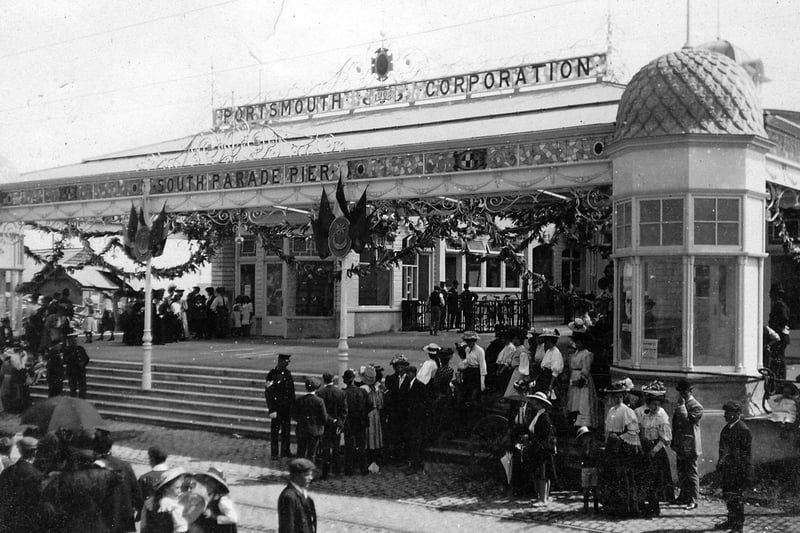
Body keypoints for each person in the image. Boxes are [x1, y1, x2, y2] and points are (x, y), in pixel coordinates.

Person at [40, 430, 127, 533]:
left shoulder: (60, 480)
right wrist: (98, 461)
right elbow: (119, 474)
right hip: (96, 526)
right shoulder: (100, 475)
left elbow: (47, 506)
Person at [600, 378, 642, 516]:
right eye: (615, 396)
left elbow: (633, 430)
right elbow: (608, 429)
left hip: (623, 446)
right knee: (611, 475)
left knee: (623, 476)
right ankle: (612, 506)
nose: (617, 399)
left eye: (620, 396)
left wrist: (620, 439)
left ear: (623, 396)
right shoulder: (611, 410)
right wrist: (609, 441)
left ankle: (626, 507)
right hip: (612, 446)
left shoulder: (627, 411)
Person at [94, 428, 144, 532]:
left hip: (103, 524)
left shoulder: (92, 468)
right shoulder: (125, 466)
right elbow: (137, 494)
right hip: (124, 522)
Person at [635, 380, 672, 516]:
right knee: (641, 477)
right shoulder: (640, 413)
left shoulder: (661, 415)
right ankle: (640, 505)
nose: (656, 407)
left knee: (656, 479)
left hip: (656, 450)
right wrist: (639, 445)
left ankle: (654, 506)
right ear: (648, 403)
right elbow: (635, 430)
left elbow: (665, 438)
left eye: (658, 404)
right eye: (653, 404)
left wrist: (654, 450)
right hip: (641, 447)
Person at [715, 401, 752, 533]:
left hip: (737, 470)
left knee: (737, 498)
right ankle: (731, 521)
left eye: (728, 413)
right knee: (729, 496)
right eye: (725, 412)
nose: (725, 415)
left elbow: (745, 455)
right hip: (727, 469)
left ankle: (738, 527)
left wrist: (742, 473)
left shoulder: (743, 430)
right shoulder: (727, 428)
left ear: (737, 414)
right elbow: (722, 449)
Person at [0, 436, 44, 533]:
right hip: (27, 524)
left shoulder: (7, 472)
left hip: (8, 521)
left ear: (20, 451)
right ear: (35, 452)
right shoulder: (38, 476)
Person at [671, 378, 703, 510]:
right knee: (682, 472)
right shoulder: (681, 404)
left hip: (690, 445)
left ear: (690, 391)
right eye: (681, 392)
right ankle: (683, 496)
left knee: (691, 473)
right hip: (680, 444)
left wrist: (683, 407)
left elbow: (687, 421)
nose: (682, 394)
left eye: (684, 392)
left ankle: (693, 500)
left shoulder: (696, 407)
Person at [526, 390, 557, 505]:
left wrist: (535, 441)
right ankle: (544, 497)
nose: (533, 404)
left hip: (542, 449)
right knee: (543, 474)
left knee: (542, 474)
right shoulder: (539, 415)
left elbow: (543, 434)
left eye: (535, 402)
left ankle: (543, 499)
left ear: (540, 404)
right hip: (540, 448)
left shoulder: (544, 417)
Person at [316, 372, 347, 479]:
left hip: (325, 424)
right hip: (336, 425)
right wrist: (340, 423)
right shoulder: (340, 393)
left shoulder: (320, 393)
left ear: (324, 380)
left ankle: (325, 472)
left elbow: (320, 412)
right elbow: (344, 411)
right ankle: (337, 471)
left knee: (325, 449)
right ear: (333, 380)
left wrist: (330, 420)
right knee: (336, 448)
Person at [567, 331, 600, 428]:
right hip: (574, 375)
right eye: (576, 342)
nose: (577, 345)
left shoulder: (586, 354)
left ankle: (583, 422)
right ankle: (574, 419)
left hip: (581, 378)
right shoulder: (575, 353)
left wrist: (582, 379)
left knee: (582, 400)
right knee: (574, 399)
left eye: (580, 343)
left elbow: (586, 368)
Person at [265, 354, 296, 459]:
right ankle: (274, 453)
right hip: (276, 408)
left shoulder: (288, 374)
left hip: (286, 408)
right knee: (275, 431)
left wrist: (293, 406)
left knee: (286, 431)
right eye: (285, 361)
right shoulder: (271, 374)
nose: (287, 363)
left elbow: (291, 392)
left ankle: (285, 451)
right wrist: (271, 409)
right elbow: (269, 393)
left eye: (288, 361)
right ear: (280, 361)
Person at [193, 467, 239, 533]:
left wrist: (213, 516)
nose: (207, 484)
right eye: (206, 481)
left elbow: (233, 519)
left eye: (210, 482)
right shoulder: (208, 495)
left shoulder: (223, 500)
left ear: (217, 485)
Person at [294, 377, 329, 462]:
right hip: (315, 430)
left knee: (301, 451)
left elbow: (294, 415)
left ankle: (299, 469)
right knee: (312, 453)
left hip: (302, 429)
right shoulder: (319, 401)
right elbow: (324, 417)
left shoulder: (299, 400)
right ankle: (309, 472)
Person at [278, 458, 317, 533]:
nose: (310, 478)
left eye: (311, 474)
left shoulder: (304, 495)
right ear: (296, 476)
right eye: (307, 475)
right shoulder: (289, 497)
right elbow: (287, 528)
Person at [342, 369, 370, 476]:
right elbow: (369, 405)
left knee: (349, 446)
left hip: (349, 422)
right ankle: (363, 468)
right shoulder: (362, 391)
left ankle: (349, 469)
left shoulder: (344, 393)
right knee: (361, 446)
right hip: (360, 421)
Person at [403, 365, 428, 474]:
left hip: (416, 419)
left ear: (413, 373)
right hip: (412, 418)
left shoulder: (419, 385)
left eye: (408, 373)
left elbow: (422, 403)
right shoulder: (410, 385)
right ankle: (414, 464)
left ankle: (415, 465)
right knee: (413, 441)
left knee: (416, 441)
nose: (407, 375)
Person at [384, 354, 409, 462]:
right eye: (398, 366)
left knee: (404, 434)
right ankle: (394, 456)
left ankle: (402, 456)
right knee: (394, 434)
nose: (400, 368)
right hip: (394, 411)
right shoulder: (390, 379)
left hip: (404, 412)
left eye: (402, 366)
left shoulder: (409, 379)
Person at [360, 365, 384, 468]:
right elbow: (381, 404)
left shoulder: (363, 389)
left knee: (367, 435)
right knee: (375, 436)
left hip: (368, 413)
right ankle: (374, 459)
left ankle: (367, 460)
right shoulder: (378, 389)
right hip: (376, 414)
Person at [138, 445, 170, 524]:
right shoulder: (174, 476)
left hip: (150, 520)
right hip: (169, 519)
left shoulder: (144, 478)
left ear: (151, 459)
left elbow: (137, 500)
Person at [576, 426, 601, 513]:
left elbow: (597, 456)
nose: (585, 439)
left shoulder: (594, 446)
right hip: (585, 468)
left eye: (586, 436)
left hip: (593, 468)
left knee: (595, 489)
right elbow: (581, 458)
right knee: (586, 489)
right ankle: (585, 507)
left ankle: (596, 507)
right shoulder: (582, 448)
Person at [768, 284, 790, 380]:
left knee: (779, 359)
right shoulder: (780, 305)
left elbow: (784, 319)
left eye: (772, 294)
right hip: (781, 336)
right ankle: (779, 381)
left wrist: (776, 330)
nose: (770, 296)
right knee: (778, 359)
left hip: (780, 336)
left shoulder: (780, 305)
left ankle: (780, 382)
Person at [533, 328, 563, 395]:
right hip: (544, 376)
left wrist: (551, 384)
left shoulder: (556, 353)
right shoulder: (548, 351)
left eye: (548, 342)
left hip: (551, 377)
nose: (547, 343)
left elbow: (555, 371)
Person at [460, 330, 486, 404]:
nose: (468, 343)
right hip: (468, 371)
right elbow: (468, 360)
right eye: (467, 341)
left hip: (476, 373)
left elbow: (482, 365)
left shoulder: (480, 351)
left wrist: (482, 382)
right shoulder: (467, 349)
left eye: (470, 341)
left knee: (474, 394)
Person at [63, 332, 90, 398]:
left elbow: (86, 358)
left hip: (80, 371)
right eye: (73, 341)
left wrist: (83, 364)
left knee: (82, 387)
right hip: (72, 371)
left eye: (75, 340)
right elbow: (65, 360)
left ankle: (82, 399)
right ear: (69, 342)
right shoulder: (67, 350)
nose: (75, 342)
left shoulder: (80, 348)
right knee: (73, 388)